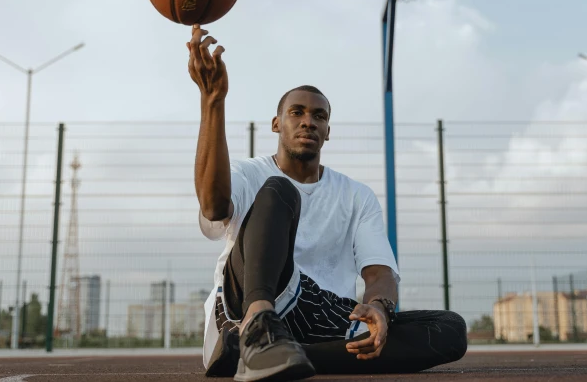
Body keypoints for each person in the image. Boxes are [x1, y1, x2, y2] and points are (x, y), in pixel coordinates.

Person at [187, 24, 468, 381]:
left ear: (328, 130)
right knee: (279, 191)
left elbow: (379, 272)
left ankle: (273, 354)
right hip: (248, 302)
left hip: (325, 313)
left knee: (449, 329)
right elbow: (213, 208)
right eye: (297, 112)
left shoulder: (356, 195)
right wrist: (213, 101)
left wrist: (379, 308)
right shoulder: (246, 173)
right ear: (276, 123)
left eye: (319, 116)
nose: (308, 121)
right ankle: (258, 333)